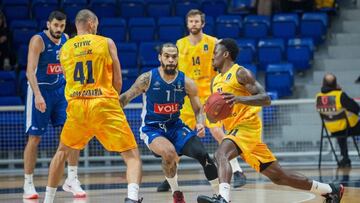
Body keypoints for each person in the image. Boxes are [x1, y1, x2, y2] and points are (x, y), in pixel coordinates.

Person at [197, 38, 344, 203]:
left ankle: (223, 198)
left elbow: (266, 99)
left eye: (215, 53)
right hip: (235, 131)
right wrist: (209, 113)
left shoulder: (240, 73)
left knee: (220, 153)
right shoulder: (215, 81)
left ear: (226, 54)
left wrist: (238, 99)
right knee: (279, 177)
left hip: (248, 127)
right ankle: (331, 190)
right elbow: (214, 116)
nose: (212, 57)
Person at [43, 9, 142, 203]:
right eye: (96, 24)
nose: (97, 27)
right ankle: (131, 198)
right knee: (132, 156)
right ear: (91, 23)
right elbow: (118, 80)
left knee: (62, 152)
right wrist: (114, 100)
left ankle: (48, 200)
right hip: (103, 103)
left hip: (77, 105)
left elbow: (66, 77)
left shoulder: (65, 48)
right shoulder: (106, 42)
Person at [156, 9, 246, 193]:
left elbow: (223, 66)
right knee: (175, 137)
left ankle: (238, 171)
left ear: (203, 23)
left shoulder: (214, 42)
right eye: (191, 21)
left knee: (216, 130)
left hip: (210, 94)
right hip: (188, 95)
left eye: (197, 21)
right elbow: (173, 69)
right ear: (187, 24)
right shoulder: (180, 45)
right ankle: (171, 177)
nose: (194, 24)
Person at [120, 43, 219, 203]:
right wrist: (109, 112)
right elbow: (125, 98)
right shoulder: (147, 79)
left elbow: (198, 109)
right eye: (167, 56)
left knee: (203, 155)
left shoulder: (187, 82)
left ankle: (220, 196)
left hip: (175, 126)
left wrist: (200, 123)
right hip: (152, 129)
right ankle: (176, 192)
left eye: (174, 56)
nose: (171, 60)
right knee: (169, 153)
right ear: (160, 57)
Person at [23, 10, 85, 199]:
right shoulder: (38, 40)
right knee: (35, 138)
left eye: (62, 25)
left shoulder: (66, 39)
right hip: (40, 91)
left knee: (72, 135)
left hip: (60, 93)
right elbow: (30, 72)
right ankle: (28, 183)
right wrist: (38, 96)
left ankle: (72, 178)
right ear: (48, 24)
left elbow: (66, 68)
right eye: (55, 25)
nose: (59, 29)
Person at [316, 73, 360, 168]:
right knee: (346, 124)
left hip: (331, 130)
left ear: (323, 83)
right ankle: (345, 158)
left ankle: (345, 158)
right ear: (336, 83)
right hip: (349, 128)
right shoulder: (340, 95)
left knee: (341, 128)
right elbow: (356, 108)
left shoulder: (318, 97)